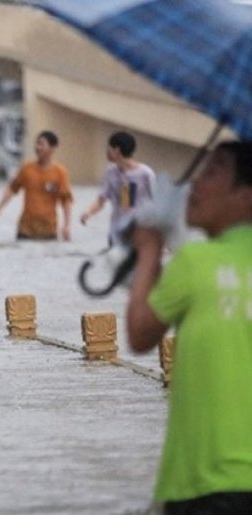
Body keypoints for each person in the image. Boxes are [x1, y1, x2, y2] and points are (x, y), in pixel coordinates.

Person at [127, 141, 252, 514]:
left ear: (245, 197)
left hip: (203, 482)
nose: (196, 184)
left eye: (214, 172)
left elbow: (140, 333)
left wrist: (149, 249)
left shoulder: (197, 261)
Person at [0, 130, 73, 240]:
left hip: (48, 231)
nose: (37, 147)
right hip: (25, 230)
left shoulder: (60, 173)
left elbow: (66, 200)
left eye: (42, 144)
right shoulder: (27, 169)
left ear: (53, 148)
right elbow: (11, 189)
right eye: (37, 143)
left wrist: (66, 225)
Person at [80, 131, 156, 246]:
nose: (106, 151)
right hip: (116, 233)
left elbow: (158, 205)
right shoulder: (110, 172)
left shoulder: (145, 174)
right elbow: (102, 199)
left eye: (109, 148)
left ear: (117, 150)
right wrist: (88, 213)